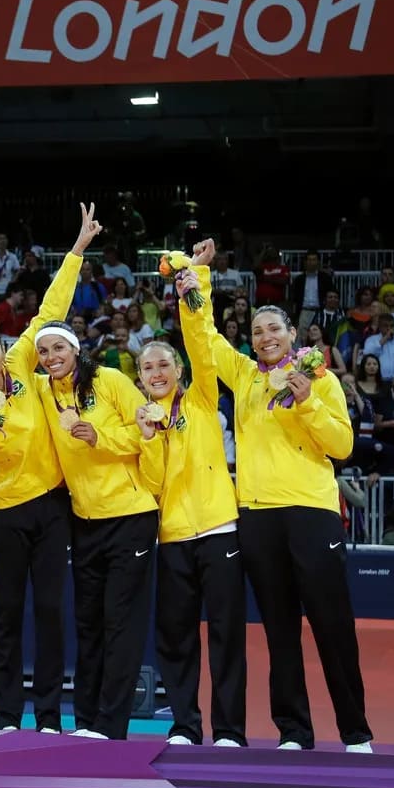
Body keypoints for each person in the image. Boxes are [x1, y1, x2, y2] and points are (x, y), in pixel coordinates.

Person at [179, 241, 372, 753]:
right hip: (258, 517)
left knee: (333, 627)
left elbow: (343, 446)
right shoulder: (242, 375)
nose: (265, 337)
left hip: (312, 513)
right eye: (259, 330)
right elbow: (204, 339)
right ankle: (294, 732)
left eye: (275, 329)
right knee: (280, 630)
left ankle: (355, 733)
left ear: (292, 336)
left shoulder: (321, 380)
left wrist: (307, 401)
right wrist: (195, 279)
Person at [0, 203, 101, 734]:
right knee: (6, 616)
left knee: (51, 613)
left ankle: (51, 716)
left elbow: (52, 306)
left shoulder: (23, 367)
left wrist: (76, 249)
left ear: (4, 349)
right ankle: (7, 716)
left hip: (53, 508)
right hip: (5, 514)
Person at [133, 254, 246, 748]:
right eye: (147, 367)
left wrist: (192, 285)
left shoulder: (200, 397)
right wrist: (148, 436)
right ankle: (184, 725)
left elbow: (201, 344)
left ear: (177, 369)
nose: (156, 372)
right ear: (139, 377)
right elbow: (154, 483)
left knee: (225, 634)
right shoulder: (143, 417)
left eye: (163, 364)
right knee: (175, 637)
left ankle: (229, 730)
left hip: (221, 528)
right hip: (174, 536)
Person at [34, 318, 158, 740]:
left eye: (59, 349)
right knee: (88, 624)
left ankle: (110, 725)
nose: (52, 358)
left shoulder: (109, 379)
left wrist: (98, 437)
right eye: (45, 351)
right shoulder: (41, 391)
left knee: (120, 624)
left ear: (75, 349)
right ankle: (86, 723)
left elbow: (144, 430)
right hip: (84, 521)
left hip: (130, 515)